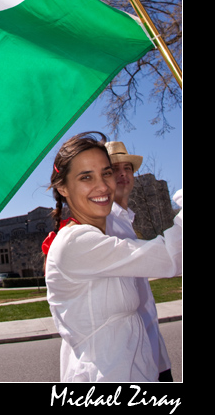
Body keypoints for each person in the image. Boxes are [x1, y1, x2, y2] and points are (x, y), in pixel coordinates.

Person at [44, 132, 181, 383]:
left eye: (106, 173)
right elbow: (173, 257)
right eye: (86, 177)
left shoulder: (98, 235)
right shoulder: (76, 242)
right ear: (62, 187)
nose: (104, 185)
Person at [105, 140, 173, 382]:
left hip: (154, 350)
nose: (123, 174)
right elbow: (169, 259)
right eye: (114, 169)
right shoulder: (105, 224)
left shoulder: (126, 220)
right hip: (132, 362)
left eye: (128, 168)